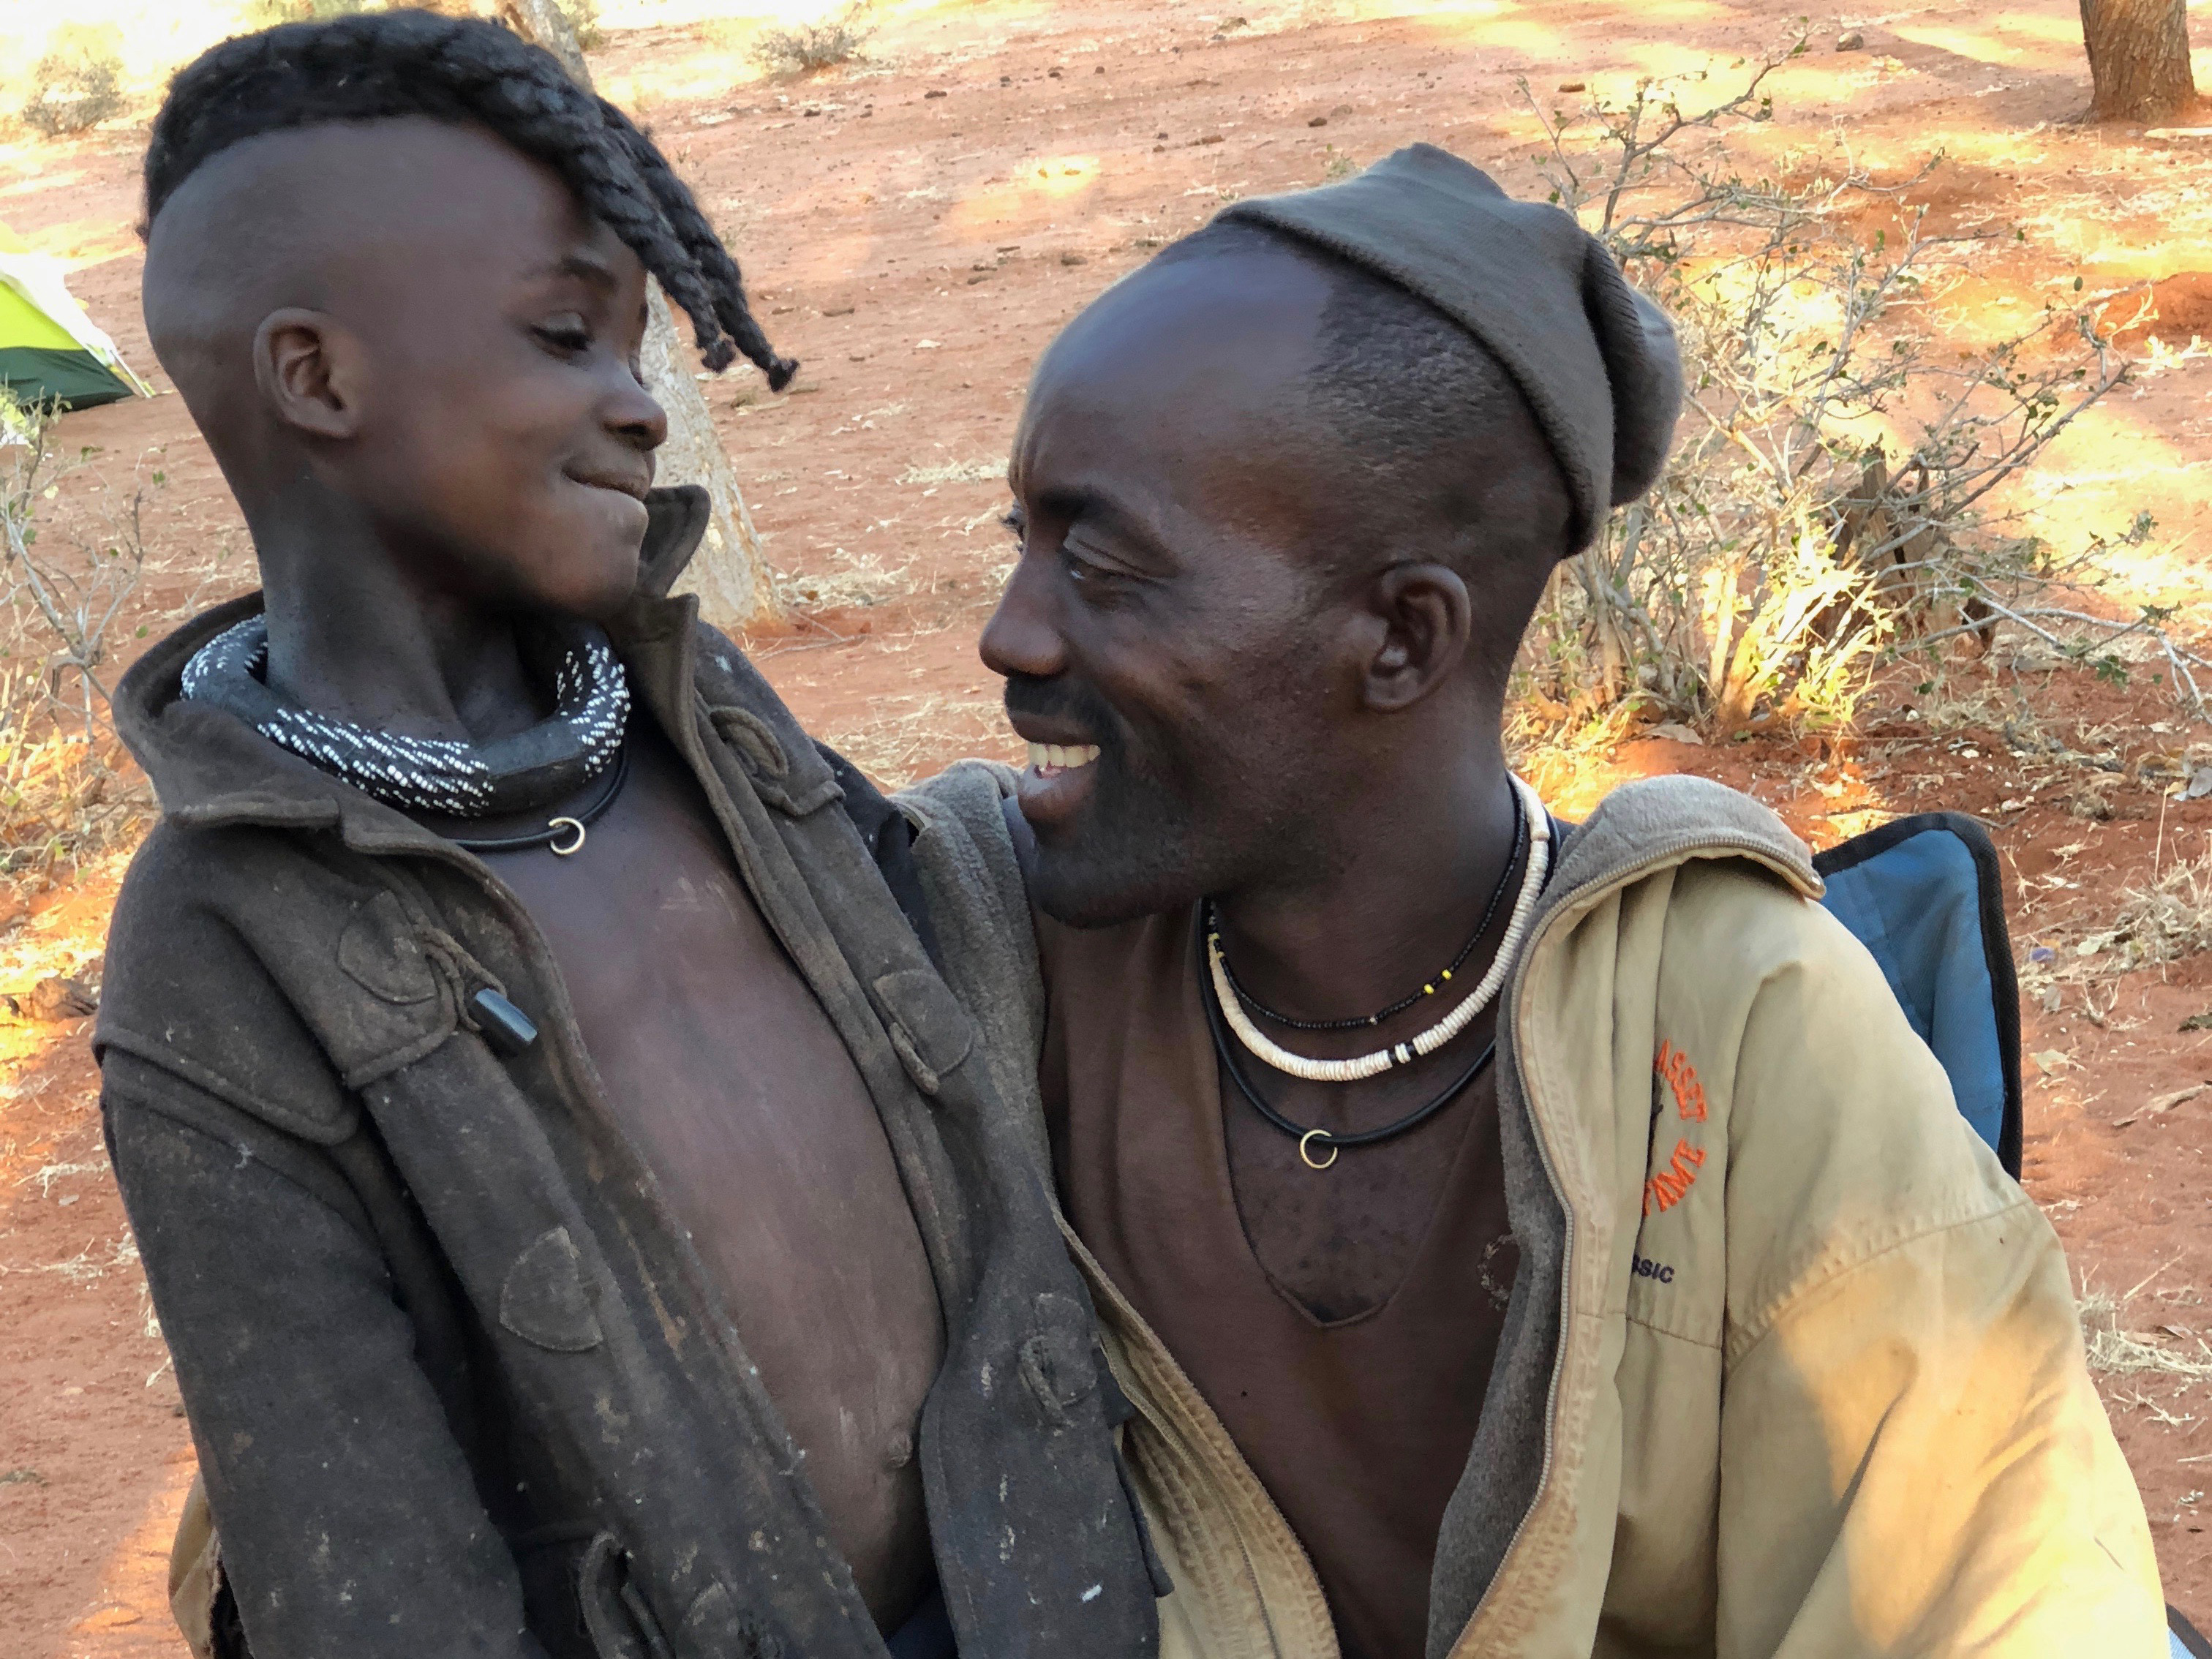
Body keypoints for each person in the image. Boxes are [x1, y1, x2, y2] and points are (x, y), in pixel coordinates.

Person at [924, 143, 2170, 1656]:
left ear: (1400, 638)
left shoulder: (1741, 1019)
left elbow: (1997, 1595)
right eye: (1023, 541)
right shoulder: (992, 956)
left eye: (1104, 565)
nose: (1009, 636)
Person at [95, 15, 1160, 1659]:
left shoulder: (694, 711)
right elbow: (369, 1572)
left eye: (637, 350)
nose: (639, 408)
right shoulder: (226, 932)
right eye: (565, 337)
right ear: (317, 378)